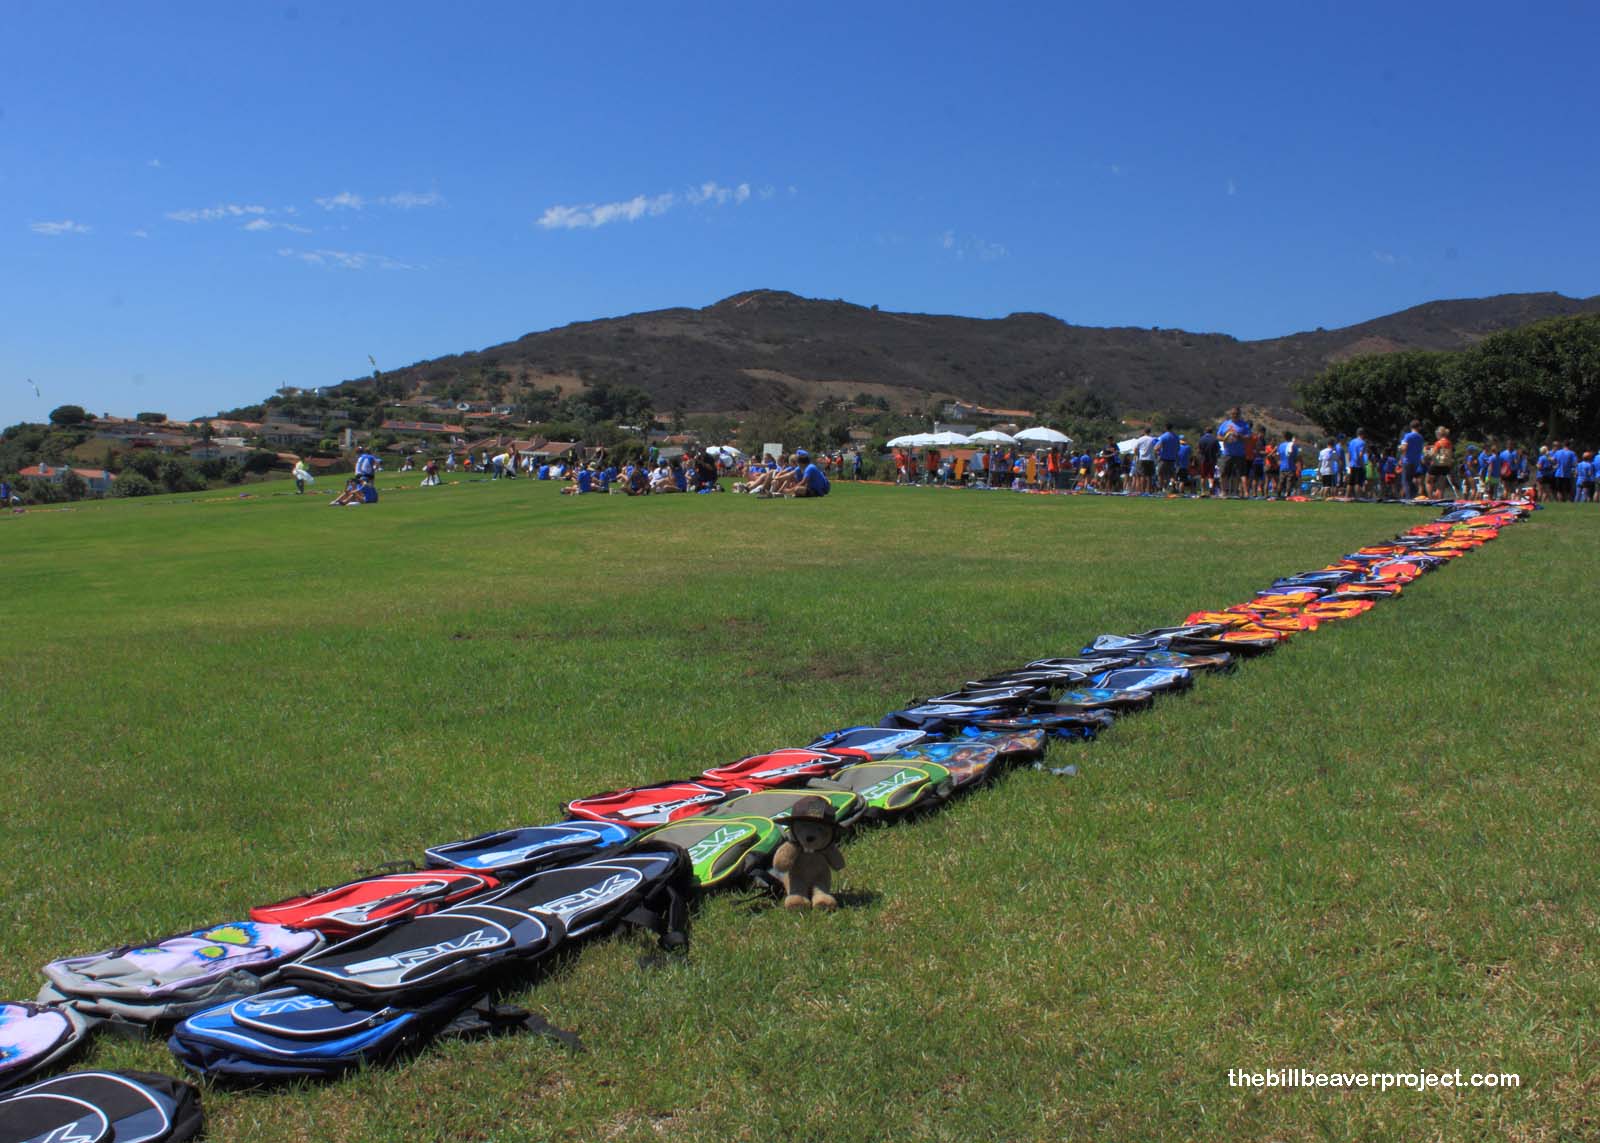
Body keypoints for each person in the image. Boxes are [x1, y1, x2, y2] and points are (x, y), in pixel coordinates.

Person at [1216, 408, 1250, 498]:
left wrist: (1239, 436)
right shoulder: (1225, 424)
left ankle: (1246, 493)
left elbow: (1248, 438)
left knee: (1242, 474)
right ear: (1230, 414)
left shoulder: (1244, 425)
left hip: (1239, 453)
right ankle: (1224, 492)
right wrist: (1224, 438)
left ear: (1239, 414)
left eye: (1236, 414)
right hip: (1227, 453)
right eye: (1233, 413)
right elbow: (1218, 436)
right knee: (1224, 473)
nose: (1234, 415)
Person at [1399, 420, 1425, 499]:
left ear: (1411, 427)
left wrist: (1400, 450)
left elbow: (1404, 447)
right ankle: (1414, 495)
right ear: (1419, 427)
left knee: (1406, 481)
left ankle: (1409, 498)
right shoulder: (1420, 437)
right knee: (1411, 480)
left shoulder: (1408, 436)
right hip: (1416, 461)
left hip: (1407, 460)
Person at [1155, 424, 1180, 492]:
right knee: (1171, 474)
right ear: (1172, 428)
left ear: (1165, 428)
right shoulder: (1176, 437)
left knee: (1161, 474)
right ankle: (1173, 487)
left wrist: (1157, 452)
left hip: (1163, 458)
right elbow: (1178, 448)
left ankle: (1161, 488)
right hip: (1172, 459)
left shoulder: (1163, 436)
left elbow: (1156, 448)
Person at [1346, 428, 1367, 499]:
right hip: (1358, 464)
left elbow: (1348, 454)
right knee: (1358, 482)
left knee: (1350, 482)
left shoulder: (1351, 442)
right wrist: (1362, 464)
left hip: (1352, 464)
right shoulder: (1362, 442)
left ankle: (1347, 496)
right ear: (1363, 434)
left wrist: (1349, 463)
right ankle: (1358, 497)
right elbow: (1360, 455)